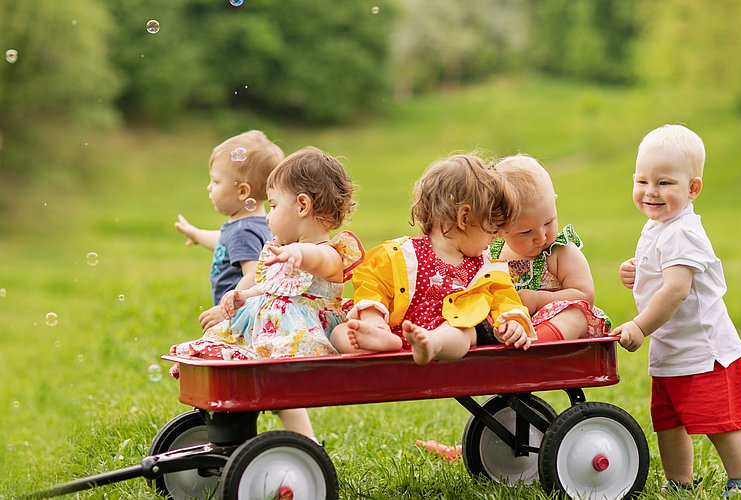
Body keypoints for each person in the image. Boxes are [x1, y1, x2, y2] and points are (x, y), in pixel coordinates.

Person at [171, 146, 364, 440]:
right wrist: (244, 297)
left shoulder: (330, 254)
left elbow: (318, 261)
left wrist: (298, 253)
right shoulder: (283, 252)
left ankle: (306, 442)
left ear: (302, 206)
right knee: (233, 363)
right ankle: (233, 424)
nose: (268, 216)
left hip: (299, 335)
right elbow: (271, 288)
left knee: (275, 384)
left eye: (273, 206)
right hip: (266, 331)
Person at [614, 124, 741, 498]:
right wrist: (635, 269)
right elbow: (660, 267)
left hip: (702, 352)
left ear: (693, 188)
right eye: (642, 181)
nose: (650, 192)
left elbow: (677, 289)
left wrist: (640, 326)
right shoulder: (658, 225)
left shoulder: (683, 231)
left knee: (720, 422)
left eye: (664, 183)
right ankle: (679, 481)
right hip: (672, 350)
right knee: (668, 421)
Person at [329, 153, 535, 365]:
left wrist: (513, 321)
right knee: (339, 331)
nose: (494, 239)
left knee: (463, 333)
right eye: (492, 230)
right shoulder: (403, 254)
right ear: (464, 218)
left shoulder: (486, 268)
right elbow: (373, 281)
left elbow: (506, 298)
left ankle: (433, 344)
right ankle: (379, 339)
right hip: (400, 331)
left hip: (448, 329)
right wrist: (374, 320)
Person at [488, 154, 611, 341]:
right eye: (526, 232)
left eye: (548, 222)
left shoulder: (559, 251)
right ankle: (504, 343)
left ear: (554, 201)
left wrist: (538, 300)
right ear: (499, 229)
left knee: (576, 315)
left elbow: (585, 296)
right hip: (509, 323)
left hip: (554, 325)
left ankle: (537, 343)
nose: (541, 237)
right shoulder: (492, 253)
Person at [175, 130, 284, 331]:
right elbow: (224, 241)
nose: (209, 187)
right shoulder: (253, 224)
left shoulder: (244, 232)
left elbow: (253, 274)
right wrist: (197, 235)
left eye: (216, 181)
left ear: (243, 191)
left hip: (238, 316)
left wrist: (227, 308)